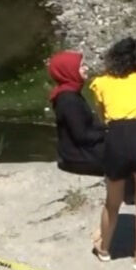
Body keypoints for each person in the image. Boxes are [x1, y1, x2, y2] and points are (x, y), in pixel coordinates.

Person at [89, 36, 136, 270]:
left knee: (112, 202)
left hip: (116, 137)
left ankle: (104, 249)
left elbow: (101, 116)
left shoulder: (101, 82)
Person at [48, 50, 107, 178]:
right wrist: (109, 133)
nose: (86, 68)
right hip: (79, 158)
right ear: (69, 70)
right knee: (127, 154)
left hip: (79, 154)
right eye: (81, 66)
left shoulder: (71, 93)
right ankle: (133, 196)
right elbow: (82, 135)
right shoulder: (69, 100)